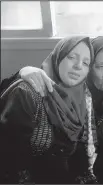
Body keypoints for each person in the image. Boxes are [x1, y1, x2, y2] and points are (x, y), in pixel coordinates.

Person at [3, 36, 103, 183]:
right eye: (100, 66)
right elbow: (11, 158)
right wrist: (23, 71)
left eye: (85, 62)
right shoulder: (34, 92)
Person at [0, 36, 94, 183]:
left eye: (86, 62)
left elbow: (78, 159)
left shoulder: (83, 98)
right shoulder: (28, 92)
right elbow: (10, 162)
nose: (78, 66)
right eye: (71, 57)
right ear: (58, 57)